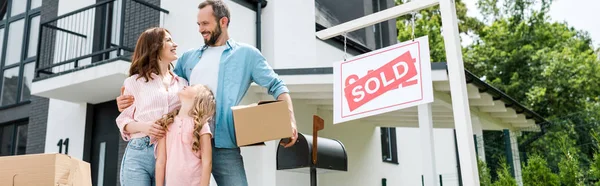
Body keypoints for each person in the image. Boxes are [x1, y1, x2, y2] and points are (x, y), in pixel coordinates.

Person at [117, 0, 298, 185]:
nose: (200, 29)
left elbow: (277, 85)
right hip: (185, 143)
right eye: (198, 24)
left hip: (224, 143)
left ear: (223, 21)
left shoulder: (247, 55)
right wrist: (127, 101)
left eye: (205, 24)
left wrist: (290, 119)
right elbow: (163, 89)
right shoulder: (188, 58)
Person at [115, 27, 187, 186]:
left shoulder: (182, 84)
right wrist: (146, 126)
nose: (175, 44)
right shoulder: (134, 82)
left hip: (170, 153)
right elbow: (124, 120)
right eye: (168, 40)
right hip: (139, 152)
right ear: (154, 46)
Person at [155, 84, 215, 186]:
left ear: (198, 97)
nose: (186, 85)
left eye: (192, 86)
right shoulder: (166, 123)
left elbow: (207, 162)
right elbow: (161, 161)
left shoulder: (202, 126)